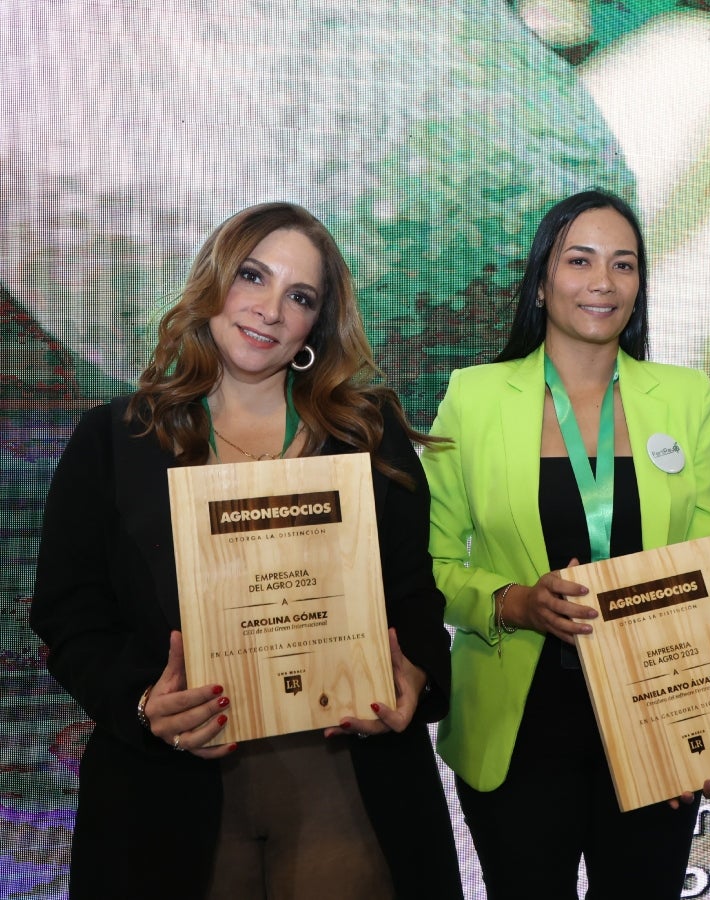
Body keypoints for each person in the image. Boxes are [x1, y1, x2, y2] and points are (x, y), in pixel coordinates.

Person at [31, 202, 463, 900]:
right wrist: (144, 702)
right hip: (169, 796)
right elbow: (69, 615)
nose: (269, 309)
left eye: (299, 297)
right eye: (253, 277)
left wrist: (413, 674)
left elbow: (413, 590)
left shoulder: (364, 431)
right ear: (214, 283)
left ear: (313, 328)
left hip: (347, 784)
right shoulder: (113, 441)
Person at [421, 189, 710, 899]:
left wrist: (701, 727)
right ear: (542, 280)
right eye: (581, 261)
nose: (603, 282)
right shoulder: (474, 398)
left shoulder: (686, 399)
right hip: (519, 728)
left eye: (623, 265)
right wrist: (513, 601)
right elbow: (430, 563)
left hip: (657, 717)